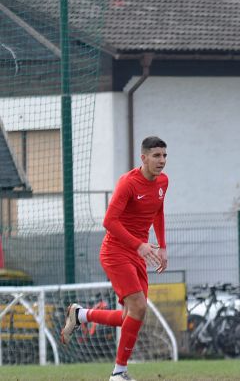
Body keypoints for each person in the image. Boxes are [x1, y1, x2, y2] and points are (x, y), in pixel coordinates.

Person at [61, 136, 169, 381]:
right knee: (139, 308)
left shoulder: (163, 181)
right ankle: (118, 373)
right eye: (156, 155)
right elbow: (109, 221)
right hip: (116, 252)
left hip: (138, 253)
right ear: (143, 158)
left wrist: (162, 246)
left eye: (164, 155)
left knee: (128, 317)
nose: (161, 161)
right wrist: (138, 244)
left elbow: (159, 211)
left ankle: (81, 315)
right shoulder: (128, 183)